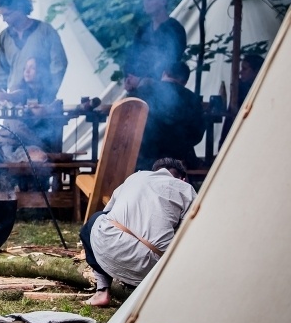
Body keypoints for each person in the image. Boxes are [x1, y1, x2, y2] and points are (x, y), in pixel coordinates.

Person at [79, 157, 197, 307]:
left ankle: (102, 291)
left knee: (96, 219)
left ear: (154, 172)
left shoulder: (136, 177)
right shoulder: (186, 189)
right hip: (155, 267)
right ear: (183, 179)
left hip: (110, 250)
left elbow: (108, 212)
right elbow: (194, 230)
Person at [0, 0, 67, 102]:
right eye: (2, 15)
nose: (4, 19)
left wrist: (49, 92)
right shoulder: (5, 36)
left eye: (7, 14)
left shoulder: (45, 31)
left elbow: (58, 63)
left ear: (19, 10)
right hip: (14, 102)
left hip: (42, 100)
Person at [132, 61, 205, 170]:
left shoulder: (142, 92)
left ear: (164, 73)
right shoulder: (193, 99)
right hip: (178, 160)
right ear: (185, 81)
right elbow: (197, 135)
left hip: (143, 160)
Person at [124, 0, 186, 92]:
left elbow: (171, 65)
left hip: (162, 93)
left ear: (163, 1)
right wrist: (128, 78)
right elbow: (131, 57)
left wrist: (142, 81)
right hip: (137, 91)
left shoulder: (175, 30)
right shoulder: (142, 30)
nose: (145, 2)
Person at [218, 53, 265, 148]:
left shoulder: (262, 88)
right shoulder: (239, 87)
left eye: (244, 69)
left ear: (256, 72)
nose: (240, 72)